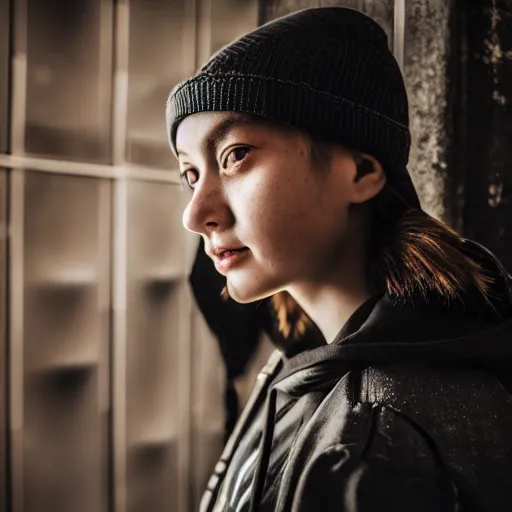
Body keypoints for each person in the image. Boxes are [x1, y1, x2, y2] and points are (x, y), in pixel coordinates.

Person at [166, 7, 512, 512]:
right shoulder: (304, 360)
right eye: (191, 174)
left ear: (362, 172)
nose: (196, 215)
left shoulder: (373, 442)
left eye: (236, 155)